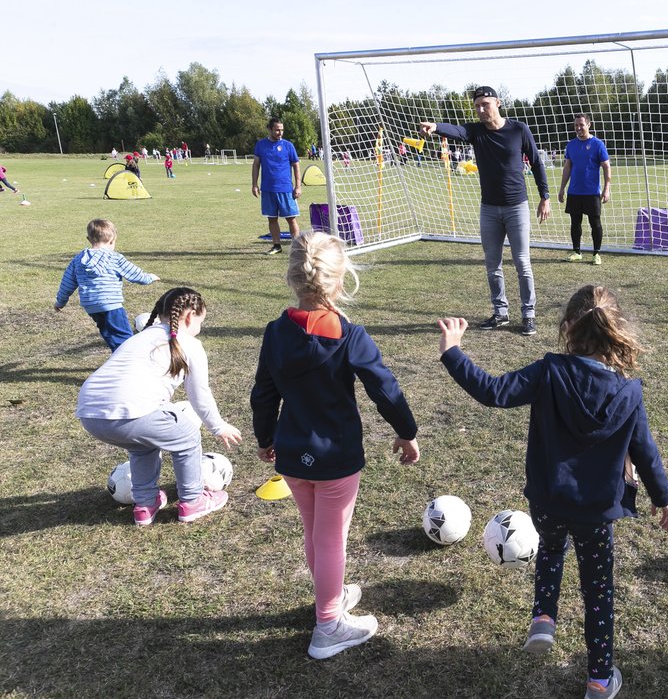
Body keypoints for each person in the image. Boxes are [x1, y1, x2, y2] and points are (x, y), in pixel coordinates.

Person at [437, 284, 668, 699]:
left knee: (550, 550)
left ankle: (544, 617)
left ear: (567, 329)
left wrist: (453, 351)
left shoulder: (549, 371)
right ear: (616, 332)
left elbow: (493, 392)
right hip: (598, 511)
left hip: (548, 500)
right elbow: (646, 453)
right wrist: (663, 497)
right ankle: (600, 679)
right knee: (598, 591)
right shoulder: (629, 392)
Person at [250, 232, 420, 660]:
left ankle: (332, 595)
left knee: (316, 533)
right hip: (335, 459)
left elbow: (263, 394)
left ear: (293, 278)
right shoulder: (349, 335)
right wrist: (407, 431)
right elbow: (386, 390)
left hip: (292, 454)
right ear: (340, 279)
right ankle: (328, 625)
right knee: (329, 541)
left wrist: (265, 437)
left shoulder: (275, 332)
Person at [76, 287, 242, 526]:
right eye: (201, 321)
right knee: (187, 437)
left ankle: (145, 504)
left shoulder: (140, 337)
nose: (200, 327)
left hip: (90, 414)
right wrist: (218, 426)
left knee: (143, 446)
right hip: (128, 411)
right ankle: (193, 501)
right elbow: (200, 395)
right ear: (189, 317)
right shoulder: (190, 344)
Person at [419, 85, 551, 337]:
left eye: (485, 104)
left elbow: (535, 162)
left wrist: (545, 196)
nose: (481, 110)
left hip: (517, 207)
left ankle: (528, 315)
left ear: (498, 103)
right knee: (493, 264)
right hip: (489, 209)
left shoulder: (518, 129)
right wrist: (436, 127)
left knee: (522, 263)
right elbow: (457, 130)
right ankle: (500, 312)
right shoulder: (476, 131)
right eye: (477, 106)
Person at [54, 219, 160, 351]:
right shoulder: (114, 258)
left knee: (109, 334)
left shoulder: (78, 260)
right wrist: (149, 277)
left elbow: (67, 283)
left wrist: (60, 301)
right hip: (110, 304)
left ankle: (118, 357)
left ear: (89, 239)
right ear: (112, 240)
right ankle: (128, 362)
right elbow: (135, 275)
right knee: (124, 337)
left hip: (91, 306)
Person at [559, 114, 611, 266]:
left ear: (589, 125)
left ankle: (596, 253)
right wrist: (562, 188)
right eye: (576, 125)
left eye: (581, 125)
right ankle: (576, 252)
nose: (578, 128)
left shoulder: (598, 144)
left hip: (592, 192)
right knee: (575, 223)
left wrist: (607, 189)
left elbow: (606, 166)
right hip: (574, 191)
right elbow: (567, 167)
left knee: (595, 223)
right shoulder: (571, 145)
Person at [252, 118, 302, 256]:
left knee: (291, 218)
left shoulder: (288, 146)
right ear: (269, 129)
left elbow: (296, 165)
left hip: (285, 189)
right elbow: (256, 165)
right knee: (272, 218)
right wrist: (254, 184)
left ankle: (297, 247)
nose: (280, 132)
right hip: (268, 189)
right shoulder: (261, 145)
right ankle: (276, 245)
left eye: (282, 130)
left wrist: (298, 186)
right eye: (277, 130)